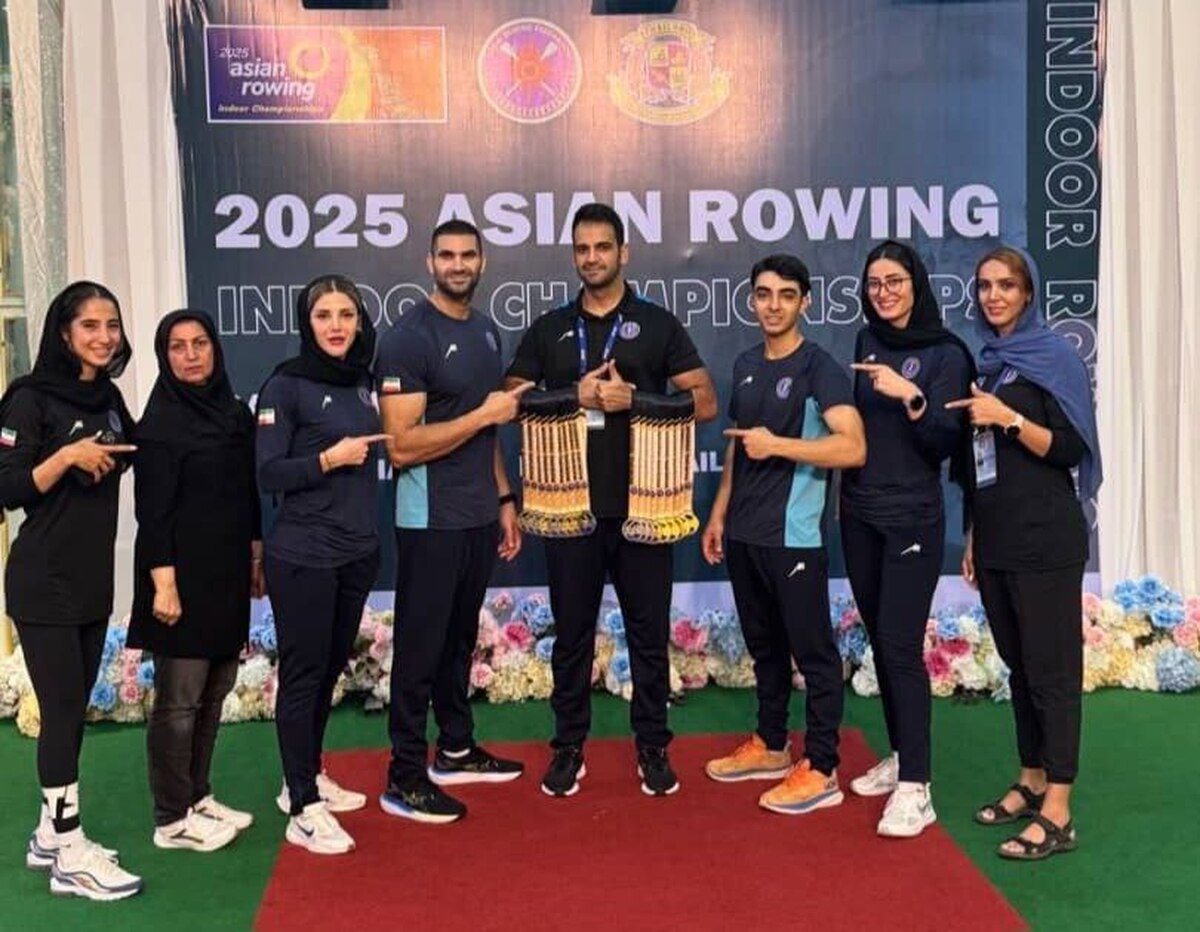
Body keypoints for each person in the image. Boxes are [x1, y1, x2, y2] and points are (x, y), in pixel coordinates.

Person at [506, 202, 717, 798]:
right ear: (573, 255)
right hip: (568, 508)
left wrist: (638, 401)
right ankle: (568, 748)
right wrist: (572, 395)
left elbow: (705, 402)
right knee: (571, 637)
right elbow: (510, 400)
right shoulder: (550, 328)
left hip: (645, 507)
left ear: (623, 252)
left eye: (603, 247)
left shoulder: (657, 324)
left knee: (648, 636)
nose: (592, 257)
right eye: (582, 248)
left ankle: (652, 747)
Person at [946, 245, 1100, 861]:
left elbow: (1068, 449)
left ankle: (1059, 810)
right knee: (1019, 666)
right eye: (985, 286)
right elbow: (980, 464)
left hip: (1046, 538)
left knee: (1052, 671)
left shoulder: (1054, 357)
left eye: (1006, 285)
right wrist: (975, 535)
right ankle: (1032, 778)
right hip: (999, 538)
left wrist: (1008, 417)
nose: (994, 296)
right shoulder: (991, 361)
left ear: (1028, 292)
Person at [702, 254, 866, 816]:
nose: (773, 305)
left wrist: (779, 446)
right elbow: (737, 445)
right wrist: (719, 512)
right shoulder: (747, 363)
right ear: (752, 300)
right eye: (764, 294)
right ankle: (772, 745)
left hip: (794, 535)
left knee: (813, 655)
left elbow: (853, 447)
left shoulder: (820, 368)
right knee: (765, 648)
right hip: (745, 533)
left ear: (805, 302)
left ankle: (821, 768)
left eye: (786, 295)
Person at [376, 219, 527, 825]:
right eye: (447, 255)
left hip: (476, 514)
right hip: (428, 518)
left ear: (482, 262)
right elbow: (401, 446)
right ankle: (404, 776)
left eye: (468, 255)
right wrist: (483, 415)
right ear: (429, 262)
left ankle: (456, 749)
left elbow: (484, 432)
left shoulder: (487, 330)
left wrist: (504, 499)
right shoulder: (408, 338)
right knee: (420, 647)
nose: (458, 265)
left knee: (460, 638)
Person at [0, 281, 142, 900]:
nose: (104, 337)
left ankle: (46, 834)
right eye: (90, 326)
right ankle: (68, 849)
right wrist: (65, 458)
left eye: (112, 325)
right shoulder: (28, 398)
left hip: (90, 581)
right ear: (64, 332)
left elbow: (129, 447)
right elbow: (7, 489)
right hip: (43, 581)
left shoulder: (107, 396)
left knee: (72, 711)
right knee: (60, 715)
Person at [838, 241, 974, 837]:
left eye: (894, 281)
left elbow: (946, 442)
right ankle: (900, 755)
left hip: (913, 518)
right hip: (859, 514)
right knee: (880, 640)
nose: (884, 292)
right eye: (875, 283)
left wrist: (912, 397)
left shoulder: (947, 353)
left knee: (898, 645)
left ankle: (918, 787)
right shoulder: (865, 341)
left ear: (915, 284)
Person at [256, 275, 387, 855]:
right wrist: (327, 460)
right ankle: (303, 809)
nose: (336, 326)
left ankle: (303, 776)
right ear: (306, 323)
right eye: (323, 315)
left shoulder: (362, 381)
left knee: (330, 670)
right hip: (303, 556)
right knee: (304, 676)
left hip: (355, 553)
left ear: (359, 321)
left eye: (346, 315)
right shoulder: (284, 385)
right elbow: (268, 473)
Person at [128, 309, 262, 852]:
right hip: (178, 580)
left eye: (199, 343)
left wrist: (255, 553)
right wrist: (164, 585)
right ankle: (171, 817)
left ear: (215, 349)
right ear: (165, 356)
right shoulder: (159, 425)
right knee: (180, 701)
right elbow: (152, 514)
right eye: (178, 346)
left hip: (225, 574)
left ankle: (198, 795)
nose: (190, 355)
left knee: (215, 691)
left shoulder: (234, 413)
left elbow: (247, 491)